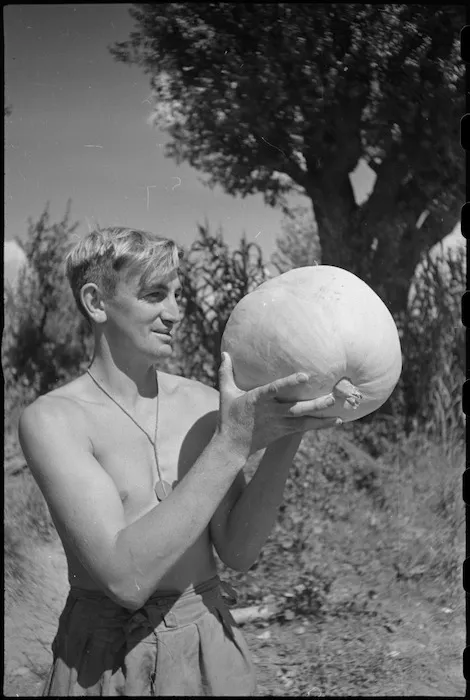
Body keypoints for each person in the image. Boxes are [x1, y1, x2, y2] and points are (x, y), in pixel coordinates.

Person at [18, 226, 340, 697]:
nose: (175, 313)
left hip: (209, 645)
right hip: (104, 659)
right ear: (95, 302)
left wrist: (289, 430)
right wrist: (230, 445)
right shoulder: (53, 419)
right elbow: (124, 580)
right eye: (154, 295)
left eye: (177, 295)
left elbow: (238, 551)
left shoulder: (203, 402)